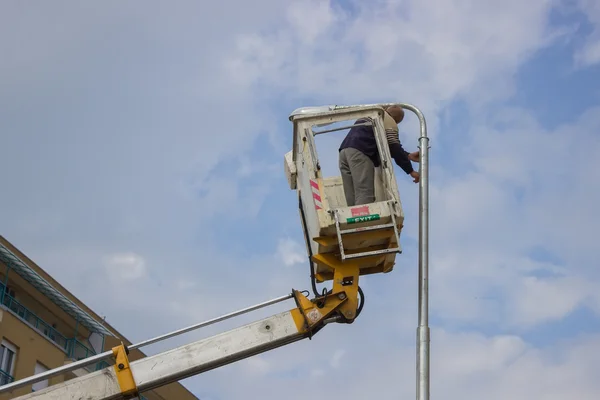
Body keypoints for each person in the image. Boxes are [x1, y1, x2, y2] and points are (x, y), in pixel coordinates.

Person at [338, 105, 419, 206]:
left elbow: (386, 146)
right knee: (365, 193)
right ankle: (363, 220)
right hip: (361, 153)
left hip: (344, 152)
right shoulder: (388, 120)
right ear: (397, 120)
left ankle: (353, 219)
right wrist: (410, 171)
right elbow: (394, 147)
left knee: (352, 193)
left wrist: (408, 155)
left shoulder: (369, 116)